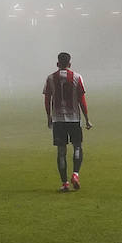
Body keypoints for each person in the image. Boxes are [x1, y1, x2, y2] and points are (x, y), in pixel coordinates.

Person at [43, 52, 92, 192]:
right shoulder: (77, 77)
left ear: (58, 64)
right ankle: (75, 174)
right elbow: (82, 100)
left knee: (61, 152)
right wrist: (87, 118)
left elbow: (47, 100)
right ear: (69, 64)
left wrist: (48, 117)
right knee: (77, 146)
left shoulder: (51, 78)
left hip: (58, 120)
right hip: (74, 119)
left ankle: (65, 183)